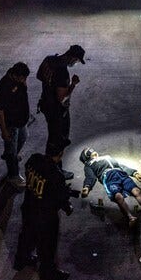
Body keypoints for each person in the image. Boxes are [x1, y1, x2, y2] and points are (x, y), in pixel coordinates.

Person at [14, 142, 74, 280]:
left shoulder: (34, 159)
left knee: (27, 235)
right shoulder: (56, 174)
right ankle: (48, 272)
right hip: (45, 217)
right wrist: (67, 204)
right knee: (47, 246)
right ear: (60, 154)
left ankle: (22, 259)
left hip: (29, 206)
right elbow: (60, 197)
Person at [79, 147, 141, 227]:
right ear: (87, 156)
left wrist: (134, 173)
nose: (94, 152)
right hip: (108, 177)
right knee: (118, 196)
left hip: (121, 173)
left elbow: (121, 165)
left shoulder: (107, 157)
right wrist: (87, 187)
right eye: (90, 152)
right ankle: (130, 217)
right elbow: (90, 176)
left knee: (136, 191)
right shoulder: (89, 164)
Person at [36, 44, 86, 180]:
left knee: (52, 137)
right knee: (58, 141)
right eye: (76, 61)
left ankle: (49, 168)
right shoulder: (62, 72)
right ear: (72, 58)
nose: (75, 63)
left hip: (45, 103)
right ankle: (55, 172)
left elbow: (39, 76)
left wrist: (49, 86)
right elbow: (62, 97)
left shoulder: (49, 59)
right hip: (57, 111)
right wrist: (73, 84)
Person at [0, 62, 31, 187]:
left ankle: (11, 154)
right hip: (12, 123)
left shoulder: (20, 81)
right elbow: (0, 110)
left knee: (23, 137)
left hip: (22, 120)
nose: (24, 81)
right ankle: (13, 175)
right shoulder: (5, 86)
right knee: (11, 150)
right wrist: (4, 130)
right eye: (23, 78)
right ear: (15, 76)